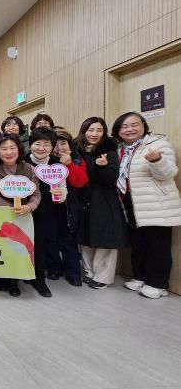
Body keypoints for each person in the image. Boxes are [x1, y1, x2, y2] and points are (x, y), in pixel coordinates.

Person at [112, 112, 181, 299]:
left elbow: (168, 173)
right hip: (131, 202)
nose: (129, 129)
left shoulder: (157, 143)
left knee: (158, 245)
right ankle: (140, 277)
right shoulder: (120, 149)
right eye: (124, 126)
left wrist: (156, 161)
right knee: (138, 242)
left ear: (143, 125)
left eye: (134, 124)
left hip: (155, 203)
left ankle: (158, 284)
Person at [0, 134, 40, 297]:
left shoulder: (29, 168)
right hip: (0, 216)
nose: (8, 152)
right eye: (4, 148)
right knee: (0, 247)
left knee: (18, 248)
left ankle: (14, 280)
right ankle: (1, 279)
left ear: (19, 149)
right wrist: (12, 208)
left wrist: (29, 207)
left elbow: (36, 194)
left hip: (23, 216)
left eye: (12, 148)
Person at [74, 117, 127, 290]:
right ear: (83, 131)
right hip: (83, 199)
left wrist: (102, 167)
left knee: (106, 238)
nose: (94, 134)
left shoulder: (109, 151)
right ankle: (88, 272)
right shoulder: (76, 150)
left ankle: (103, 276)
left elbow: (111, 177)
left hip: (104, 200)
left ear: (104, 132)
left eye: (99, 130)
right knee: (86, 238)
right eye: (90, 130)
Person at [23, 128, 62, 298]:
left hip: (47, 211)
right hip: (23, 210)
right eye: (37, 144)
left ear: (52, 147)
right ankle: (22, 274)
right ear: (30, 144)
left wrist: (60, 194)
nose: (41, 148)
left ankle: (40, 280)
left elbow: (63, 191)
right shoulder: (22, 162)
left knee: (41, 245)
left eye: (46, 144)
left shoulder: (56, 165)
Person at [46, 128, 88, 286]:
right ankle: (54, 268)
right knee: (50, 238)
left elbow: (80, 182)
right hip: (49, 207)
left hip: (69, 207)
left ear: (70, 144)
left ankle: (73, 273)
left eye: (63, 143)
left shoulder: (77, 159)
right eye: (54, 144)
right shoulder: (45, 161)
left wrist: (69, 164)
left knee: (69, 240)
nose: (59, 148)